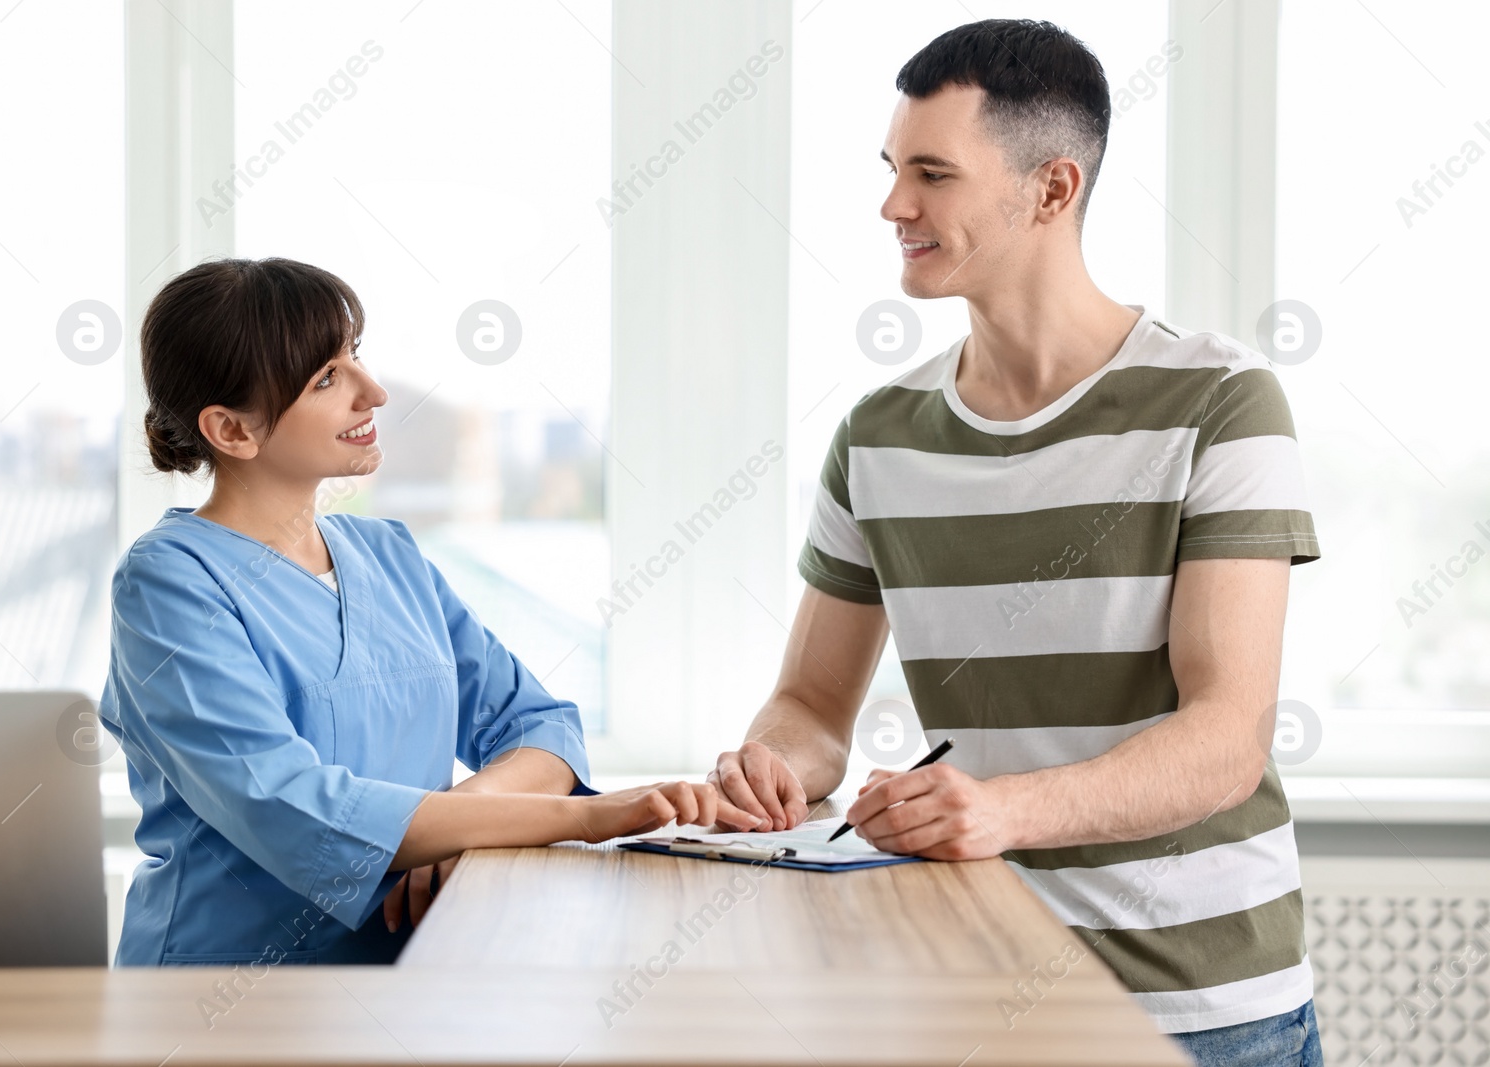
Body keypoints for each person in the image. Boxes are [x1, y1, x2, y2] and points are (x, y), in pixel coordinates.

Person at [707, 20, 1323, 1066]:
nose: (893, 205)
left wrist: (993, 809)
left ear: (1050, 188)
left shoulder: (1220, 402)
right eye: (893, 169)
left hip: (1204, 1012)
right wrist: (774, 765)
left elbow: (1225, 734)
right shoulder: (877, 433)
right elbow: (813, 704)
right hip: (974, 988)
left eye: (932, 174)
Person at [102, 257, 758, 967]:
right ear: (232, 430)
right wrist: (586, 817)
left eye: (355, 356)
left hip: (413, 979)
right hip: (223, 1004)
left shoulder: (389, 555)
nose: (374, 392)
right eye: (328, 378)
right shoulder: (168, 584)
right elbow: (287, 802)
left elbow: (540, 727)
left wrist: (462, 823)